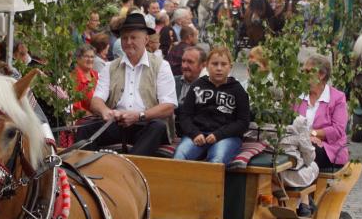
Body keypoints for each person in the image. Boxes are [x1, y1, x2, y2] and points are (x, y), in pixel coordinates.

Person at [78, 12, 178, 156]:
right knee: (86, 129)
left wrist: (139, 115)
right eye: (124, 38)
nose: (128, 42)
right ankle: (84, 174)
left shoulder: (161, 66)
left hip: (147, 124)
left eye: (133, 37)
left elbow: (168, 106)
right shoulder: (110, 67)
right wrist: (106, 112)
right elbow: (96, 101)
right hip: (117, 124)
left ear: (146, 39)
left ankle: (129, 169)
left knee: (158, 126)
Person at [173, 47, 249, 164]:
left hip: (226, 137)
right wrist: (194, 133)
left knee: (217, 159)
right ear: (207, 66)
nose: (219, 68)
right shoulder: (197, 86)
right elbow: (185, 116)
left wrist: (219, 135)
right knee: (179, 156)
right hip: (197, 135)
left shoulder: (238, 90)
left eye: (223, 64)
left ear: (230, 67)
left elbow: (243, 122)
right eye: (214, 64)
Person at [292, 54, 349, 168]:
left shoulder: (337, 98)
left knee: (309, 150)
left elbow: (337, 130)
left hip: (328, 148)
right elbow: (289, 122)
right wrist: (305, 138)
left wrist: (312, 134)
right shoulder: (297, 95)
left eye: (308, 72)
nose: (303, 75)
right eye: (302, 71)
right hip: (298, 142)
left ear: (321, 75)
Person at [72, 44, 98, 114]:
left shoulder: (96, 75)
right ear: (78, 58)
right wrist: (93, 117)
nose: (90, 59)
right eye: (86, 56)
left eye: (92, 57)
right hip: (88, 121)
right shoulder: (74, 78)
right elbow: (76, 108)